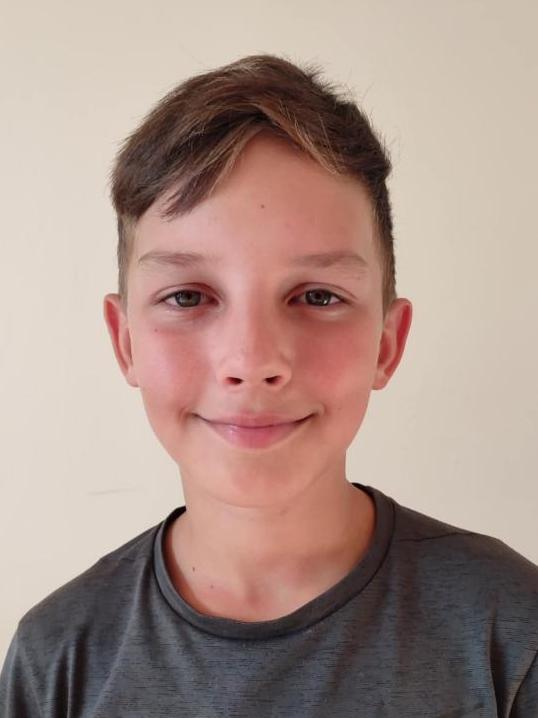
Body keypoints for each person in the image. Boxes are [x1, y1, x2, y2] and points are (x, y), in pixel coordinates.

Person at [1, 53, 536, 717]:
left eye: (317, 295)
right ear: (125, 340)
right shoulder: (59, 659)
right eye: (188, 296)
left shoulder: (511, 631)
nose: (252, 360)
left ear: (387, 343)